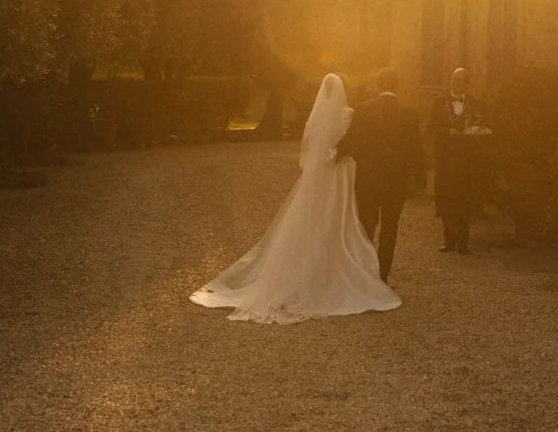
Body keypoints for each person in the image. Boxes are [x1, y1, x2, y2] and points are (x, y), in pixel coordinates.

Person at [189, 72, 401, 324]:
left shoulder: (322, 118)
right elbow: (352, 144)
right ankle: (334, 275)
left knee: (315, 223)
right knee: (337, 224)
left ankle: (308, 274)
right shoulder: (348, 115)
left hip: (323, 177)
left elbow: (317, 148)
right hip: (338, 177)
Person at [334, 67, 425, 281]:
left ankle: (365, 273)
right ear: (396, 86)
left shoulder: (364, 109)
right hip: (396, 180)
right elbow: (416, 148)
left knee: (367, 224)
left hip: (368, 178)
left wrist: (331, 157)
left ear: (378, 85)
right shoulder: (408, 114)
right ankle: (382, 276)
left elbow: (351, 140)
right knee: (390, 228)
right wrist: (420, 178)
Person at [427, 66, 485, 254]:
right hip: (445, 161)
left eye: (461, 81)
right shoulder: (439, 102)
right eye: (454, 80)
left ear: (467, 84)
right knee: (446, 200)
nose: (456, 84)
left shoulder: (475, 103)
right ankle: (448, 239)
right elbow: (430, 128)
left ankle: (463, 241)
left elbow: (481, 126)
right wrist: (447, 132)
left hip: (466, 162)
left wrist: (472, 131)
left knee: (464, 200)